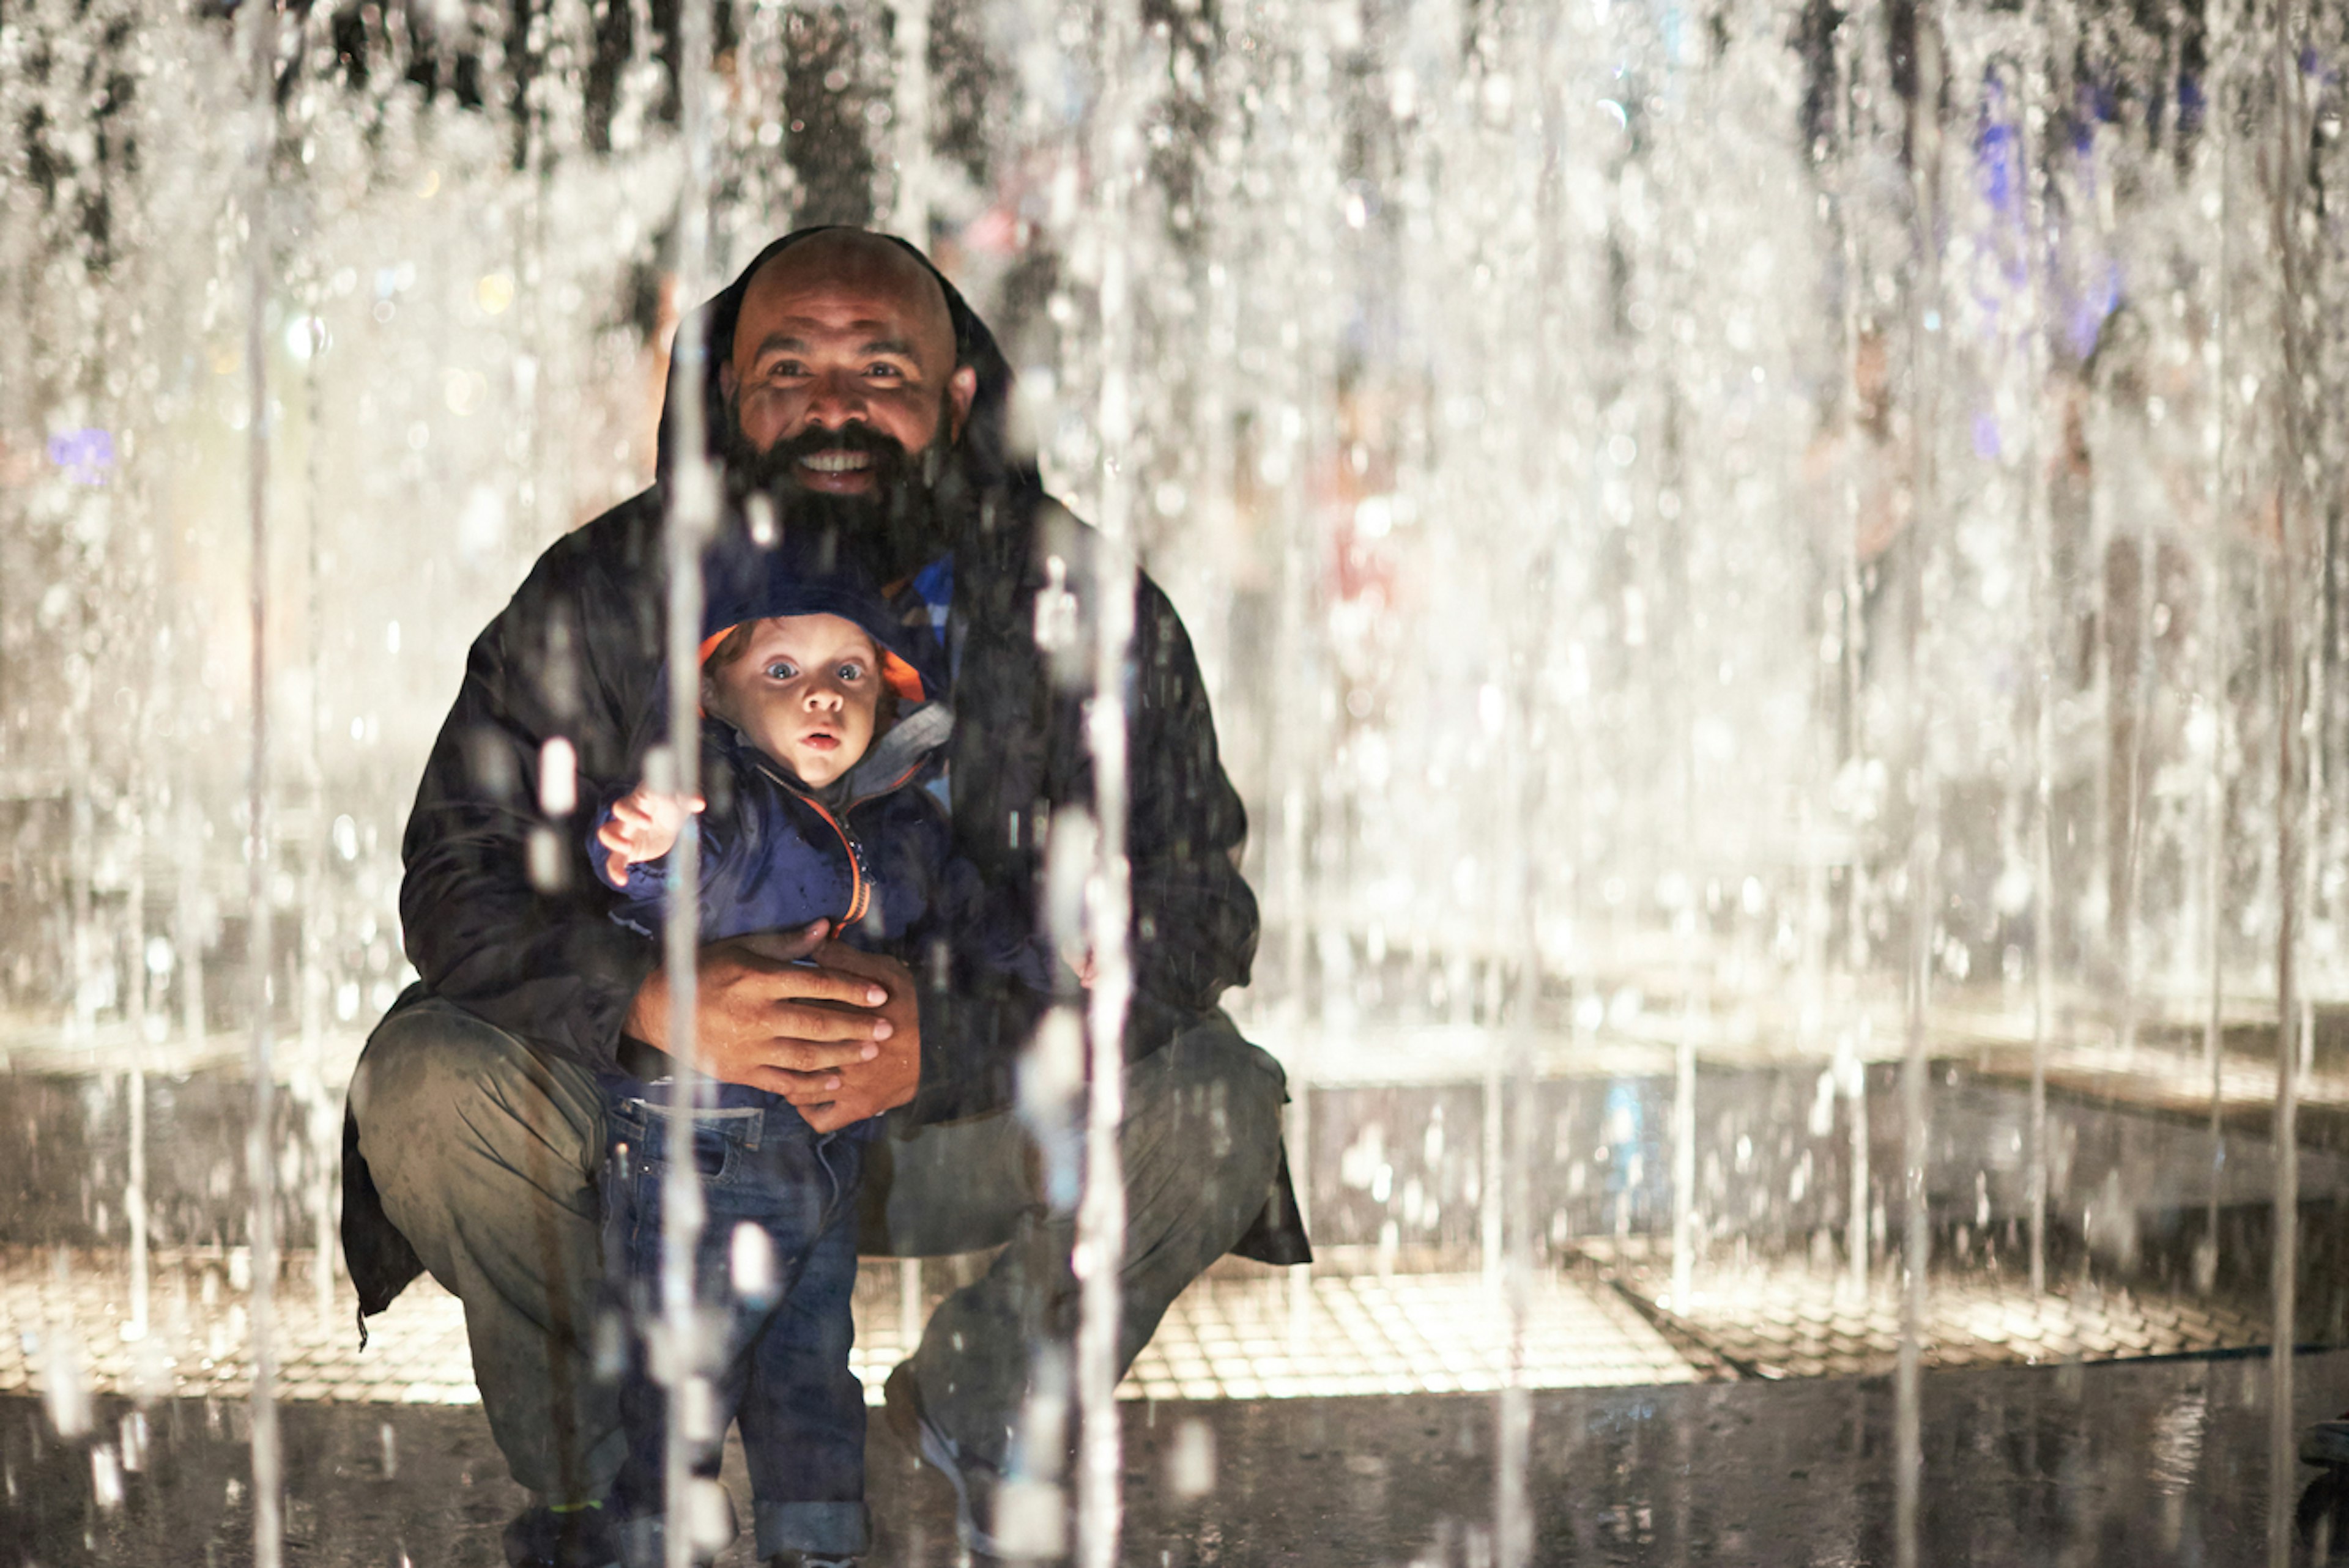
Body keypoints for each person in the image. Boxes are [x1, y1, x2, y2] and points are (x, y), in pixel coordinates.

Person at [341, 226, 1309, 1568]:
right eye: (786, 367)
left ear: (957, 396)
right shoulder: (605, 594)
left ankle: (977, 1405)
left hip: (955, 1120)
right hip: (655, 1136)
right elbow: (455, 877)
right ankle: (591, 1470)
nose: (834, 406)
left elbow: (1203, 909)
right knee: (424, 1078)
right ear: (724, 398)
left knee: (1218, 1103)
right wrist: (654, 999)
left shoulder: (1084, 606)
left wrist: (955, 1033)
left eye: (882, 367)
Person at [591, 533, 1039, 1568]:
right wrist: (642, 842)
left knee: (811, 1360)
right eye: (782, 672)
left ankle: (820, 1535)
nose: (822, 698)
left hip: (830, 1150)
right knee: (684, 1367)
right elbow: (657, 875)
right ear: (716, 695)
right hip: (699, 1149)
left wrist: (1067, 950)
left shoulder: (900, 831)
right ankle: (653, 1532)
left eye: (849, 673)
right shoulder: (728, 806)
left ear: (889, 696)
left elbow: (979, 919)